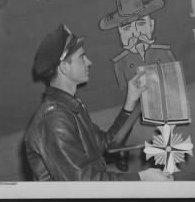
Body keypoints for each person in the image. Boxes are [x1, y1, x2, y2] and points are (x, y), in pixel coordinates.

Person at [25, 24, 173, 181]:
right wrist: (141, 179)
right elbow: (81, 183)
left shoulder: (70, 108)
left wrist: (131, 101)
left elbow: (107, 144)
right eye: (82, 57)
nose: (89, 62)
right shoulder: (54, 119)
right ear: (64, 67)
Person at [99, 0, 176, 170]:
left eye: (140, 24)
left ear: (151, 25)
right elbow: (124, 88)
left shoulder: (163, 53)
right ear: (121, 34)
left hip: (160, 96)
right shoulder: (121, 62)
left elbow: (172, 77)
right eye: (127, 28)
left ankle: (167, 152)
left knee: (167, 122)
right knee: (126, 125)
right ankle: (121, 153)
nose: (135, 33)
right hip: (136, 100)